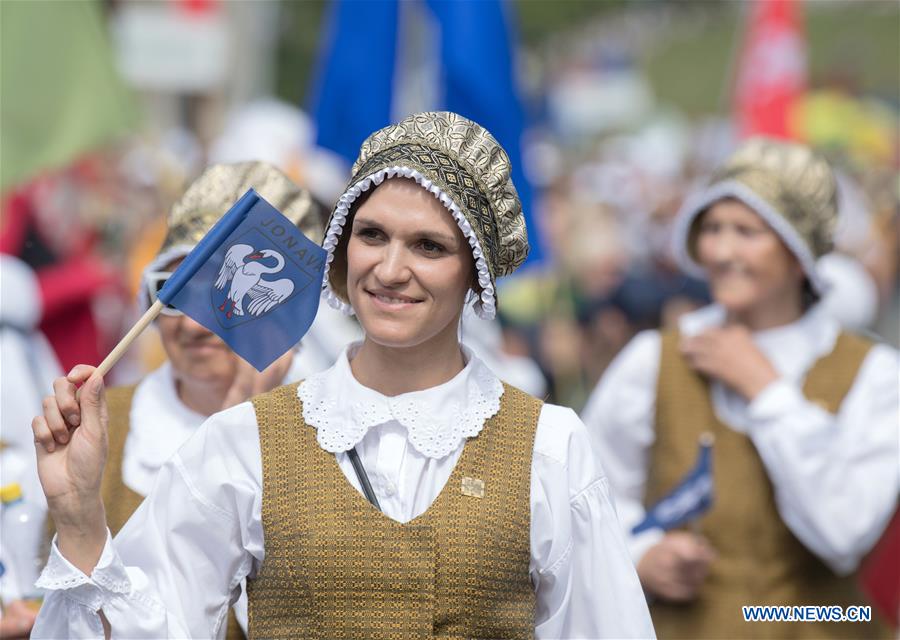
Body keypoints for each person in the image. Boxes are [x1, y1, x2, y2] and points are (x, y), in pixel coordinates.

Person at [30, 111, 655, 639]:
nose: (388, 269)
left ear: (476, 273)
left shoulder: (550, 445)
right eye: (372, 235)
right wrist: (81, 517)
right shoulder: (243, 438)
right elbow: (156, 625)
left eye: (429, 247)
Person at [583, 138, 899, 639]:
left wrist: (766, 390)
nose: (721, 251)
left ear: (798, 254)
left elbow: (843, 533)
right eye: (711, 229)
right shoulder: (655, 358)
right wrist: (640, 554)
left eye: (747, 232)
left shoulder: (874, 373)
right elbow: (588, 493)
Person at [96, 162, 321, 638]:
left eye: (220, 296)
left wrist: (241, 425)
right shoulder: (106, 425)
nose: (195, 325)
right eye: (173, 296)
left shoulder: (334, 430)